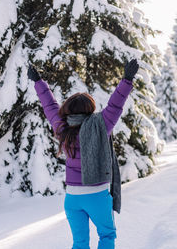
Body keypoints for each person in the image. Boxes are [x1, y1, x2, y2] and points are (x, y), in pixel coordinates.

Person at [27, 59, 139, 249]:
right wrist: (127, 79)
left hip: (72, 198)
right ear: (90, 109)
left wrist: (38, 81)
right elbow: (115, 104)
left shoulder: (62, 127)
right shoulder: (101, 125)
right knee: (107, 235)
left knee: (79, 243)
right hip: (97, 195)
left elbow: (50, 106)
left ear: (69, 109)